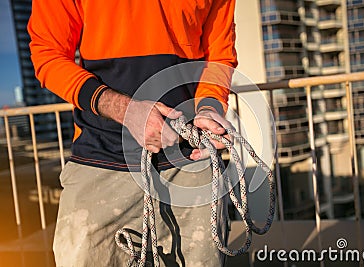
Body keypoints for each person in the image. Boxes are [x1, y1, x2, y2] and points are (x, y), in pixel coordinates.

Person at [28, 0, 237, 266]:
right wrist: (124, 109)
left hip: (189, 164)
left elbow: (218, 54)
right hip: (100, 162)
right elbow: (48, 54)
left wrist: (208, 107)